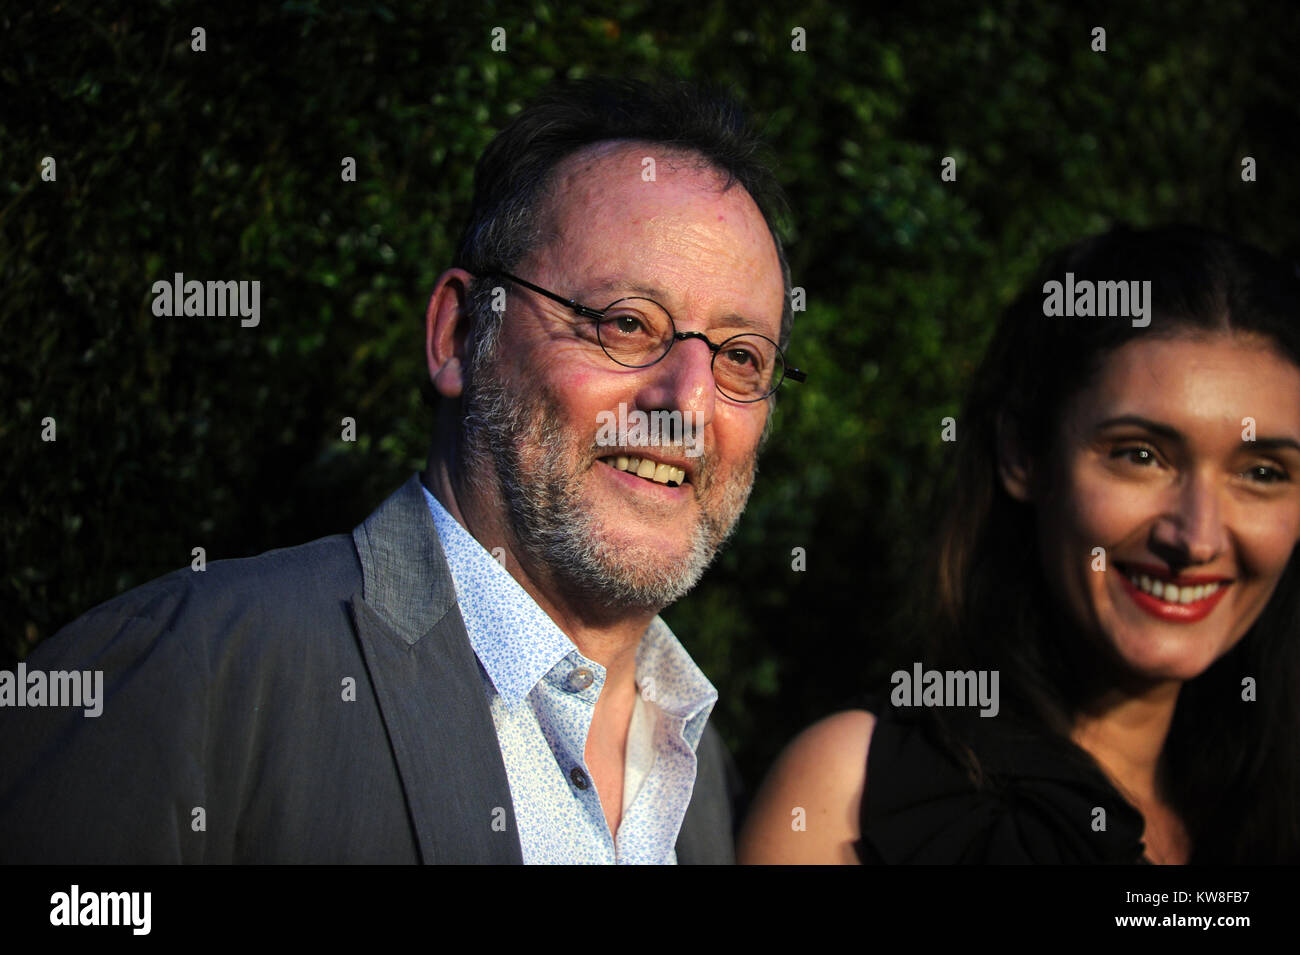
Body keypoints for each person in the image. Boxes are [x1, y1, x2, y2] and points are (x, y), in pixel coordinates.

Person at [0, 77, 805, 864]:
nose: (687, 403)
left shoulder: (706, 784)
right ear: (459, 334)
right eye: (627, 323)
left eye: (741, 357)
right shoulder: (180, 677)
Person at [738, 224, 1300, 865]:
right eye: (1140, 455)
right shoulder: (852, 791)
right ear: (1024, 453)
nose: (1196, 538)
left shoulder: (1262, 814)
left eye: (1262, 473)